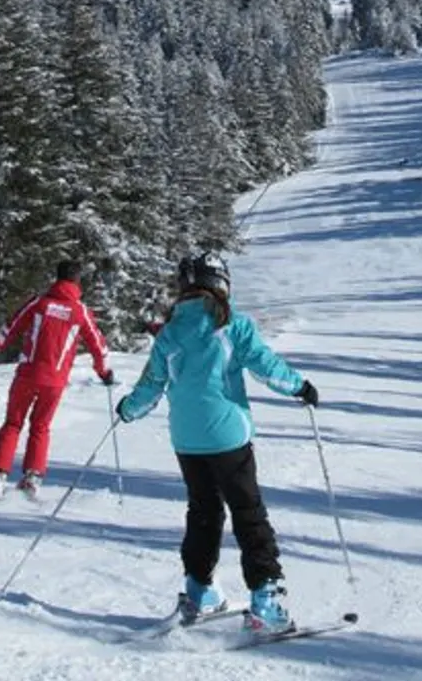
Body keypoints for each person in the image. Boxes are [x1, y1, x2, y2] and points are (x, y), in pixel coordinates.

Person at [116, 251, 320, 634]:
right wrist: (301, 388)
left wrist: (127, 409)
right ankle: (264, 598)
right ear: (221, 283)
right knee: (248, 512)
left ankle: (199, 591)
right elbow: (266, 366)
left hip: (187, 441)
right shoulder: (233, 325)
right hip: (228, 436)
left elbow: (149, 387)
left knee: (203, 512)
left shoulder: (170, 333)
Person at [0, 259, 114, 500]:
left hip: (27, 374)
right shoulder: (80, 311)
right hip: (54, 382)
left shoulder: (40, 303)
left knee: (13, 423)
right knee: (41, 426)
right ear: (77, 281)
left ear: (57, 277)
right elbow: (97, 344)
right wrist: (104, 372)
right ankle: (33, 478)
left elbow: (13, 324)